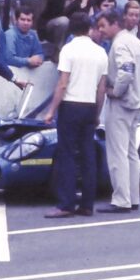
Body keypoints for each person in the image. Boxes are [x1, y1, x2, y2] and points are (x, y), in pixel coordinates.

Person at [43, 12, 108, 218]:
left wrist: (52, 110)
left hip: (71, 105)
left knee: (67, 154)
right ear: (89, 28)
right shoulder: (100, 52)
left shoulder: (68, 50)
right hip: (89, 105)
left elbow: (63, 83)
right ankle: (87, 204)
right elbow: (101, 88)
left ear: (71, 29)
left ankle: (66, 203)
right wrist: (97, 112)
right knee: (88, 155)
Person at [96, 11, 140, 213]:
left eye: (103, 25)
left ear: (114, 24)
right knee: (131, 152)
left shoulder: (120, 43)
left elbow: (127, 70)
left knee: (117, 153)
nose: (101, 30)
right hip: (137, 102)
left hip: (122, 102)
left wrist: (115, 91)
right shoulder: (134, 40)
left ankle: (121, 199)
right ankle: (133, 198)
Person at [10, 0, 95, 50]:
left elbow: (82, 24)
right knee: (63, 21)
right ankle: (58, 51)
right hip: (49, 27)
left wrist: (83, 4)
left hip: (69, 33)